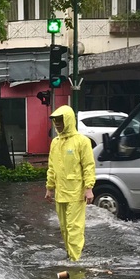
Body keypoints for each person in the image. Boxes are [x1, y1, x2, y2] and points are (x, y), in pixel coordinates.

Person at [45, 105, 96, 263]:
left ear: (68, 120)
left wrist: (89, 188)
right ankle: (70, 255)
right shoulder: (55, 142)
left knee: (74, 228)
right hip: (61, 194)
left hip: (76, 193)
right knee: (64, 228)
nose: (58, 124)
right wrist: (49, 188)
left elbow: (88, 166)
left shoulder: (82, 141)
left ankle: (75, 261)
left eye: (60, 121)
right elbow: (52, 167)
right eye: (55, 121)